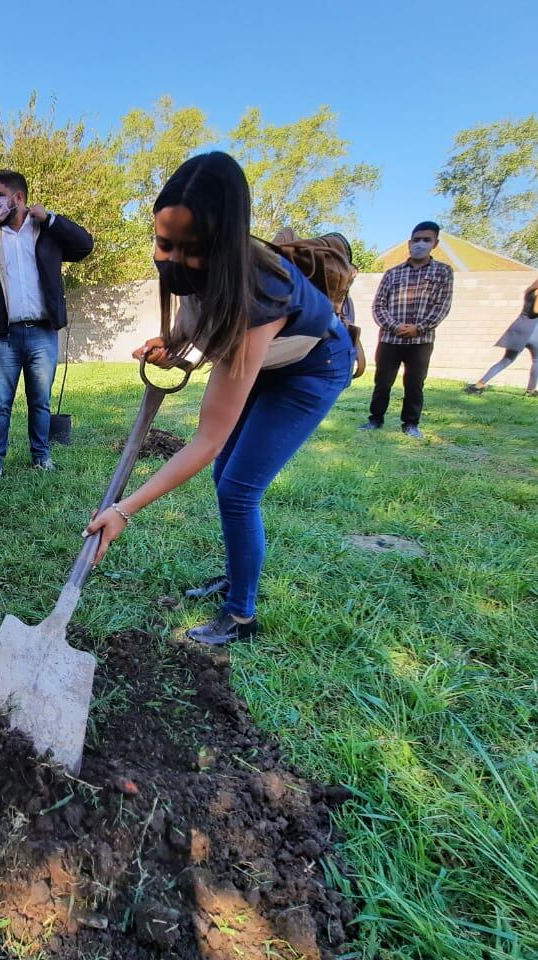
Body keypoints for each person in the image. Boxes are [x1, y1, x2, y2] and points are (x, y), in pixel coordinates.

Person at [84, 152, 355, 645]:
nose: (171, 258)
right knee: (226, 477)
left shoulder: (259, 292)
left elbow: (208, 437)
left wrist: (124, 510)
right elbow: (198, 312)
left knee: (238, 488)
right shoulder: (204, 269)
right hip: (270, 357)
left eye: (188, 248)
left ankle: (241, 613)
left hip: (312, 370)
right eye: (162, 243)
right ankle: (239, 575)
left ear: (223, 245)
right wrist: (172, 346)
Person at [0, 170, 94, 476]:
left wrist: (51, 218)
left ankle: (41, 455)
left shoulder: (46, 231)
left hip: (42, 334)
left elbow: (84, 245)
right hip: (2, 337)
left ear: (17, 198)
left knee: (40, 401)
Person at [359, 221, 454, 438]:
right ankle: (375, 419)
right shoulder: (393, 273)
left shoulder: (443, 272)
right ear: (409, 242)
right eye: (416, 240)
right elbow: (379, 305)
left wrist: (419, 328)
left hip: (421, 341)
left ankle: (410, 424)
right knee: (382, 382)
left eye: (426, 240)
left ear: (435, 243)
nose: (420, 244)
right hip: (390, 339)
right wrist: (395, 326)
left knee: (414, 383)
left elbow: (442, 306)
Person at [465, 265, 538, 396]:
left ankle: (479, 385)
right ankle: (531, 390)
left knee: (507, 359)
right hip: (537, 327)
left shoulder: (535, 288)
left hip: (521, 325)